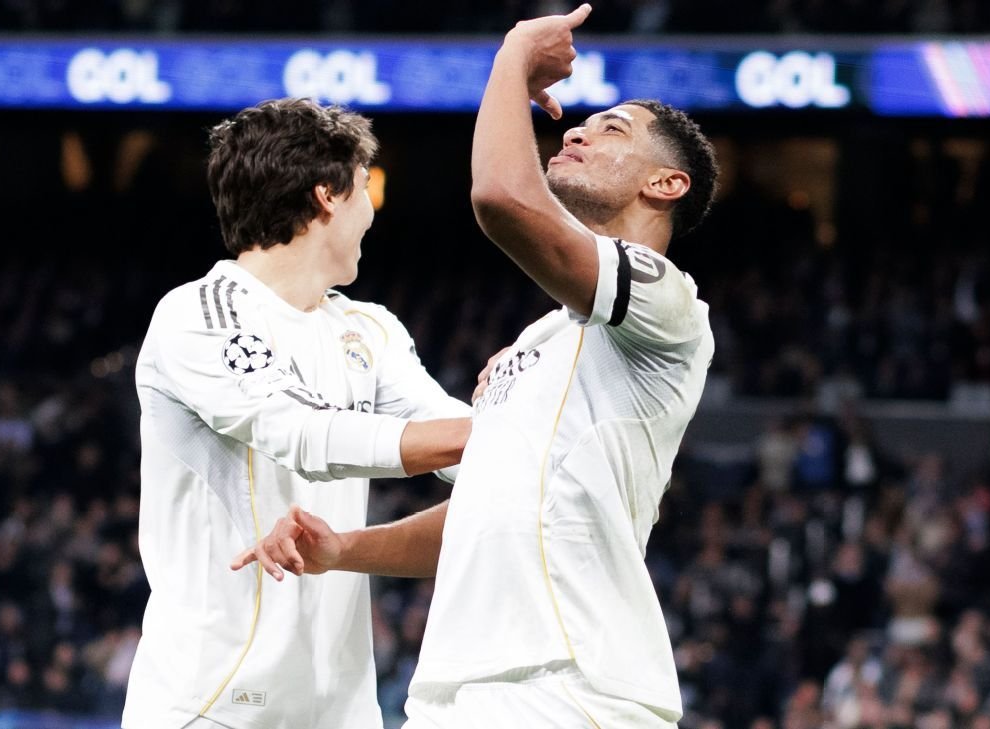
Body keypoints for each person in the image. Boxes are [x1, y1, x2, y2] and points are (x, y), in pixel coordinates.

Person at [233, 5, 720, 727]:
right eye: (582, 124)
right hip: (460, 690)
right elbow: (487, 509)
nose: (576, 132)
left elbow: (500, 197)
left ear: (666, 185)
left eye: (613, 130)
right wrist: (343, 550)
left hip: (569, 686)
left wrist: (514, 59)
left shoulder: (667, 300)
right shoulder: (537, 343)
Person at [123, 98, 472, 729]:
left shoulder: (368, 328)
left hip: (341, 710)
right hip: (214, 706)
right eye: (365, 186)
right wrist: (504, 434)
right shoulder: (201, 313)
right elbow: (305, 434)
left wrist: (533, 423)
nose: (372, 211)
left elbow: (459, 446)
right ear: (327, 196)